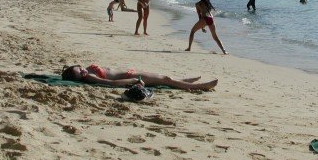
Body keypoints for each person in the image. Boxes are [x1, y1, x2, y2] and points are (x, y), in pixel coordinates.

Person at [61, 64, 218, 91]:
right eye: (79, 74)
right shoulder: (90, 78)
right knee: (165, 79)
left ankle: (184, 80)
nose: (83, 71)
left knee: (164, 78)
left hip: (130, 71)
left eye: (80, 68)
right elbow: (112, 82)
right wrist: (133, 81)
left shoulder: (87, 71)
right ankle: (198, 86)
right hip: (131, 76)